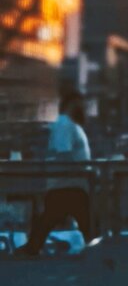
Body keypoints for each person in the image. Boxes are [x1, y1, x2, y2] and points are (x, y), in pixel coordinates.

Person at [22, 94, 92, 255]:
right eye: (81, 104)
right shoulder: (64, 124)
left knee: (51, 218)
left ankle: (32, 248)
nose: (84, 109)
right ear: (72, 104)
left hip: (70, 184)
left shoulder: (70, 125)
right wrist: (80, 169)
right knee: (83, 221)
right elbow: (63, 153)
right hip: (68, 185)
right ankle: (97, 249)